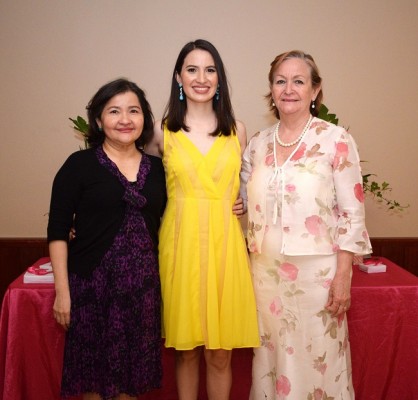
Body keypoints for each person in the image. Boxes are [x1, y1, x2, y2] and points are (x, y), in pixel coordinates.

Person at [240, 50, 372, 399]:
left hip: (318, 276)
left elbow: (351, 213)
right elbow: (242, 203)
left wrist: (343, 275)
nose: (289, 89)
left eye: (299, 81)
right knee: (270, 358)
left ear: (315, 90)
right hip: (265, 274)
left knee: (319, 361)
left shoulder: (336, 140)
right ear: (271, 89)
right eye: (280, 81)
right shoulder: (257, 144)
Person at [146, 39, 259, 400]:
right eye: (192, 69)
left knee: (220, 353)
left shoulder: (238, 130)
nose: (201, 77)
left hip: (225, 245)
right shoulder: (160, 133)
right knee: (186, 350)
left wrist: (243, 201)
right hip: (180, 246)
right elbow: (140, 193)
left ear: (219, 78)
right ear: (179, 77)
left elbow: (255, 189)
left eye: (210, 69)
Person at [47, 78, 167, 400]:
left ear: (145, 119)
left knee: (131, 383)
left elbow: (176, 219)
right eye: (114, 111)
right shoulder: (79, 165)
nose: (125, 119)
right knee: (92, 385)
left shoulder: (159, 170)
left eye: (134, 111)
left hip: (142, 294)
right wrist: (63, 294)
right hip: (90, 291)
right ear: (99, 120)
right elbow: (58, 231)